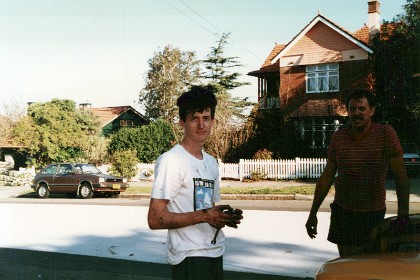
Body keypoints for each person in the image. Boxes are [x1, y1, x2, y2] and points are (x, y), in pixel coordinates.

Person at [147, 85, 243, 280]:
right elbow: (155, 219)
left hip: (214, 251)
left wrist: (221, 218)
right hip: (189, 257)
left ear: (213, 121)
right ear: (182, 122)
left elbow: (207, 209)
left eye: (206, 118)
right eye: (194, 118)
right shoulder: (172, 160)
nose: (201, 125)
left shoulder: (210, 162)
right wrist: (206, 216)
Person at [305, 89, 410, 257]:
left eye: (361, 108)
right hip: (343, 213)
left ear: (372, 110)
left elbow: (401, 177)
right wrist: (313, 213)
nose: (356, 113)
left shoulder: (386, 134)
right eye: (352, 109)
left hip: (372, 215)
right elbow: (327, 176)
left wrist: (403, 215)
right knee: (347, 264)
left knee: (369, 266)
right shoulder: (338, 137)